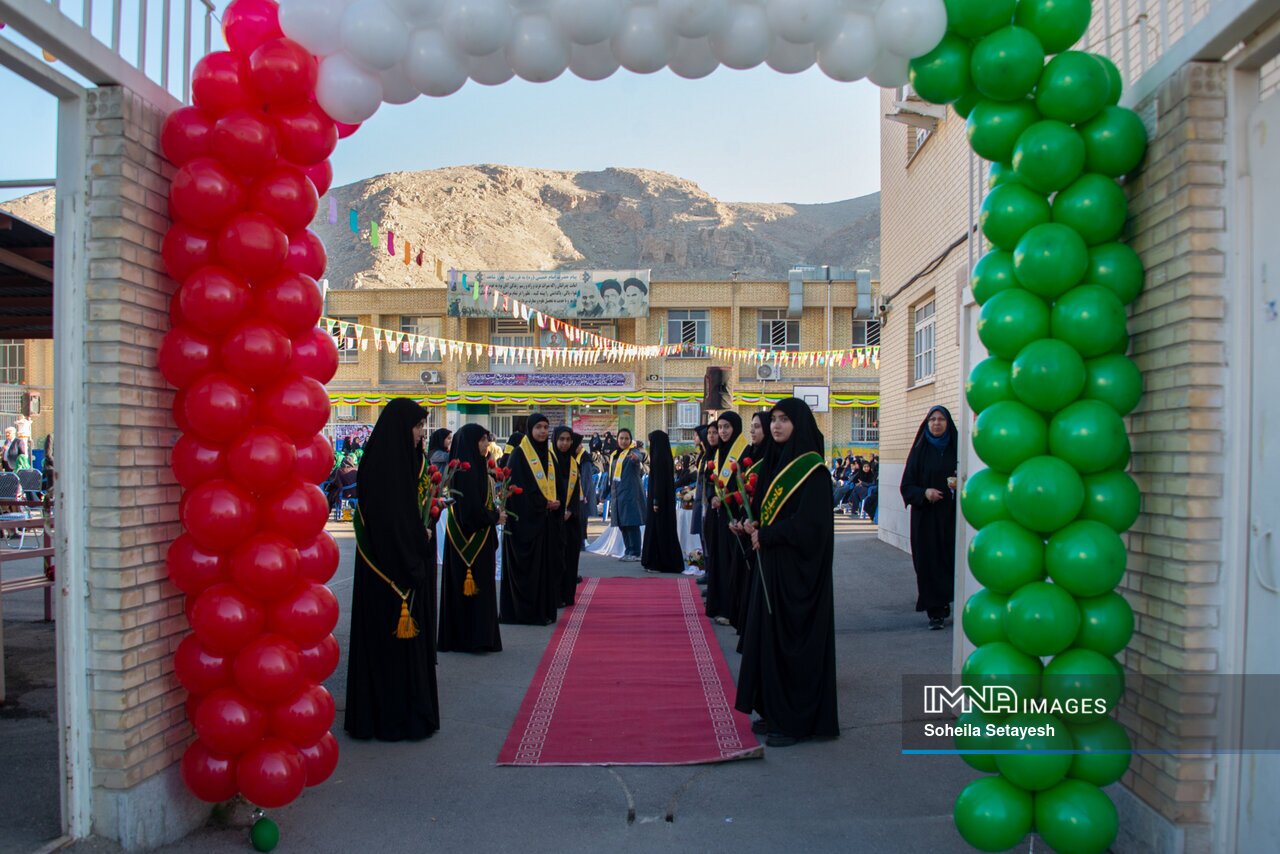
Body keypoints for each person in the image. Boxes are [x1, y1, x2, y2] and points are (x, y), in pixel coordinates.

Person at [736, 397, 839, 747]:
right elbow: (770, 513)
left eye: (784, 420)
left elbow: (811, 528)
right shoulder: (774, 463)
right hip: (772, 566)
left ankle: (796, 721)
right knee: (768, 641)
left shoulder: (814, 472)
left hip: (799, 575)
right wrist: (753, 524)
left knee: (792, 644)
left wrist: (768, 533)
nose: (776, 425)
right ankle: (773, 710)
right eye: (774, 419)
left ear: (800, 424)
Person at [344, 399, 439, 741]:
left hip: (406, 557)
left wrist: (424, 526)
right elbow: (390, 523)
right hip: (387, 569)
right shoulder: (382, 465)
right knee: (387, 647)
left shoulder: (412, 460)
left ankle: (409, 712)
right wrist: (419, 538)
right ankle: (389, 718)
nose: (419, 435)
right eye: (416, 428)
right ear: (400, 428)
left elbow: (410, 513)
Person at [437, 423, 504, 654]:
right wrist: (495, 516)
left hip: (477, 537)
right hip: (469, 537)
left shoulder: (476, 466)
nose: (487, 444)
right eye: (483, 440)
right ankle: (471, 638)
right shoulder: (464, 472)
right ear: (470, 443)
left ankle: (476, 636)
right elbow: (471, 512)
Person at [900, 406, 958, 630]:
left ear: (948, 423)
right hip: (926, 518)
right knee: (929, 562)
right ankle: (935, 612)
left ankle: (948, 603)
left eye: (941, 419)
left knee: (950, 559)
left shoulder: (956, 448)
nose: (936, 423)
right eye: (932, 419)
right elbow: (906, 486)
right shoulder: (919, 451)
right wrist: (924, 493)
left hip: (952, 516)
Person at [500, 413, 559, 626]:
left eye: (546, 427)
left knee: (543, 569)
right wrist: (542, 503)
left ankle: (541, 610)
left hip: (543, 523)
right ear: (530, 430)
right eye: (539, 428)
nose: (543, 431)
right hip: (524, 524)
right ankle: (522, 613)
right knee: (527, 569)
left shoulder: (548, 455)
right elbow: (518, 491)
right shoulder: (518, 455)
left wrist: (553, 502)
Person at [708, 411, 748, 626]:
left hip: (736, 517)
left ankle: (732, 608)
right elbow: (710, 482)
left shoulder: (744, 451)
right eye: (720, 427)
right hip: (720, 515)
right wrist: (712, 496)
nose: (722, 432)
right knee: (720, 560)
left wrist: (727, 498)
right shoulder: (718, 452)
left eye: (727, 427)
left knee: (733, 562)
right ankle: (719, 604)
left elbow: (745, 484)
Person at [641, 430, 685, 574]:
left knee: (658, 530)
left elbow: (658, 483)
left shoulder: (659, 458)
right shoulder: (665, 457)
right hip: (664, 501)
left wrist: (655, 501)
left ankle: (657, 562)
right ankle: (661, 561)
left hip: (658, 502)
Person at [601, 428, 645, 561]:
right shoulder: (614, 454)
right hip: (617, 494)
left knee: (632, 523)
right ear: (617, 439)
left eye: (627, 438)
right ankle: (628, 551)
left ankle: (635, 553)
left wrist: (636, 458)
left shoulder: (633, 452)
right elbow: (611, 476)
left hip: (630, 493)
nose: (624, 441)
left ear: (630, 440)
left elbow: (640, 457)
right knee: (622, 524)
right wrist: (605, 493)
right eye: (621, 438)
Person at [552, 427, 584, 605]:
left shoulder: (573, 464)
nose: (564, 443)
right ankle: (555, 596)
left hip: (571, 518)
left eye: (568, 440)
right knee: (556, 559)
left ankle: (567, 595)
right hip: (553, 518)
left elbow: (576, 490)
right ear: (555, 440)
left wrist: (570, 510)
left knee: (570, 557)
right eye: (561, 439)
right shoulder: (548, 461)